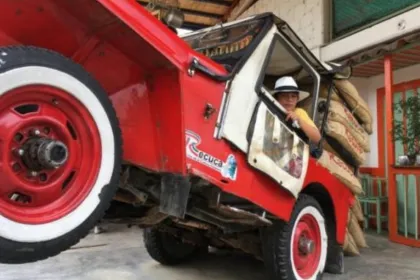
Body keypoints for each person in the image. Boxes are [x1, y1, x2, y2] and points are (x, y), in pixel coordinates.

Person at [271, 76, 322, 144]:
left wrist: (299, 120)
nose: (289, 99)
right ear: (276, 98)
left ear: (297, 99)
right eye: (284, 95)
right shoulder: (270, 110)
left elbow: (317, 138)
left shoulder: (298, 112)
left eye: (293, 96)